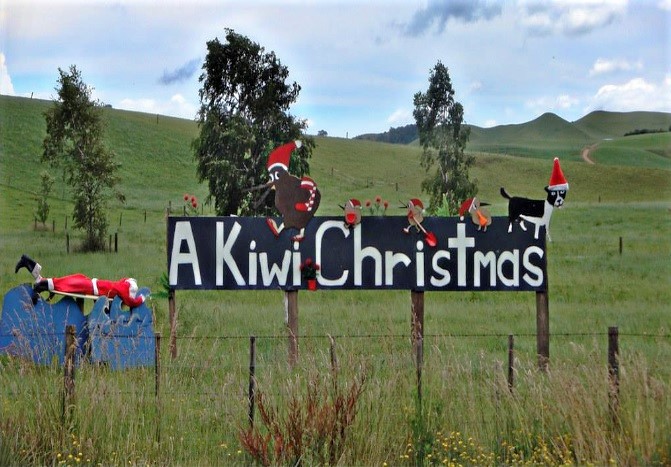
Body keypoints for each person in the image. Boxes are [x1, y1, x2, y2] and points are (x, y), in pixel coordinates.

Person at [15, 254, 148, 308]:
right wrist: (142, 298)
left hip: (89, 284)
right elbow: (131, 302)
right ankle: (39, 286)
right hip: (89, 287)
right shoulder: (124, 289)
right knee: (65, 285)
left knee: (63, 283)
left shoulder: (122, 283)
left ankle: (29, 264)